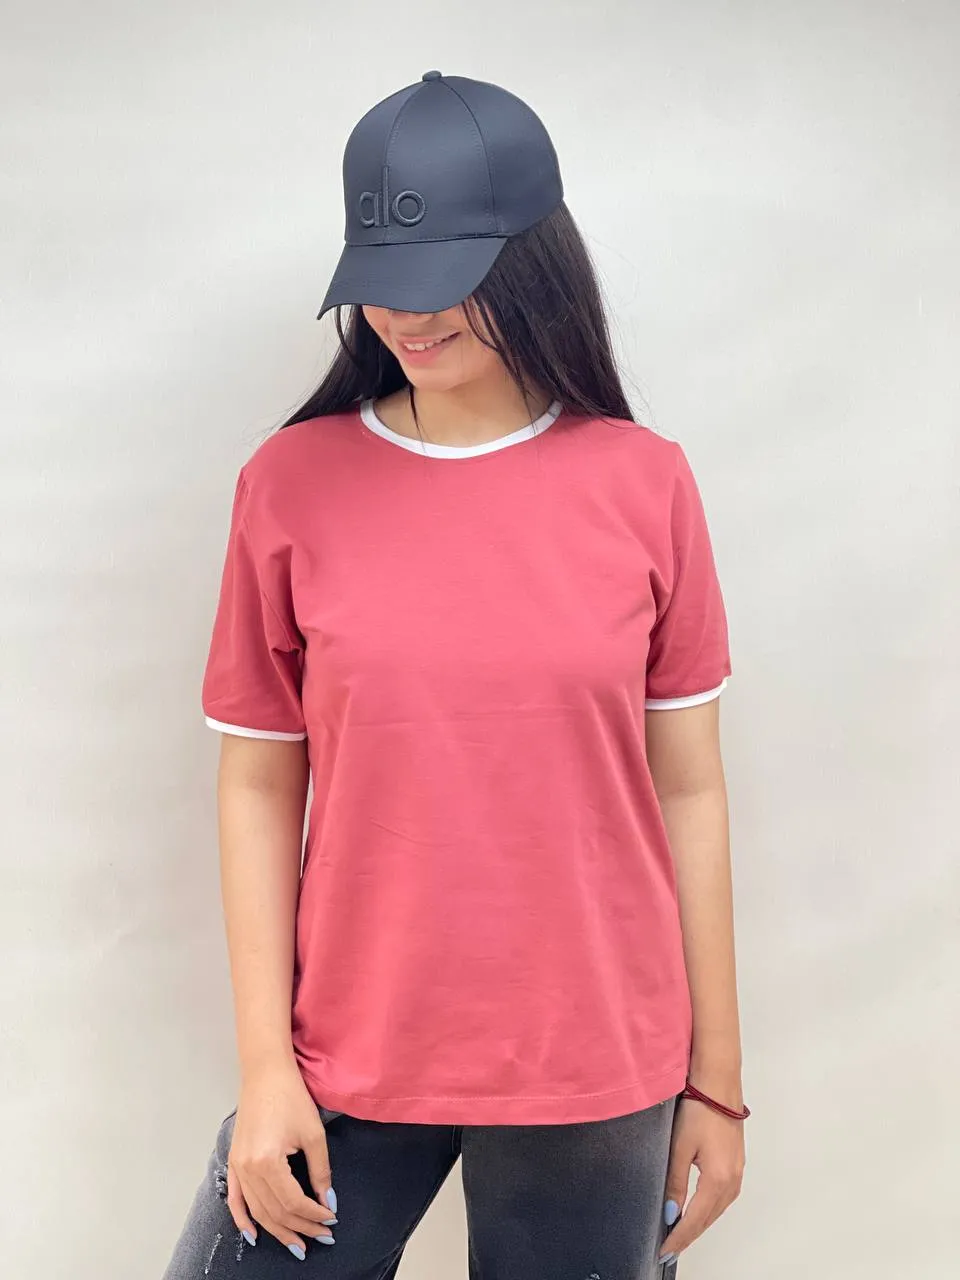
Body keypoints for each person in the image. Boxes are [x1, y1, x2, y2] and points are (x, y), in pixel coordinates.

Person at [163, 71, 748, 1280]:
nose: (405, 314)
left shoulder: (645, 483)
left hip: (594, 1060)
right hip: (345, 1053)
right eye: (380, 278)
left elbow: (688, 788)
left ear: (532, 261)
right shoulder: (291, 483)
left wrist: (718, 1084)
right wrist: (266, 1069)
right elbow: (259, 782)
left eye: (447, 279)